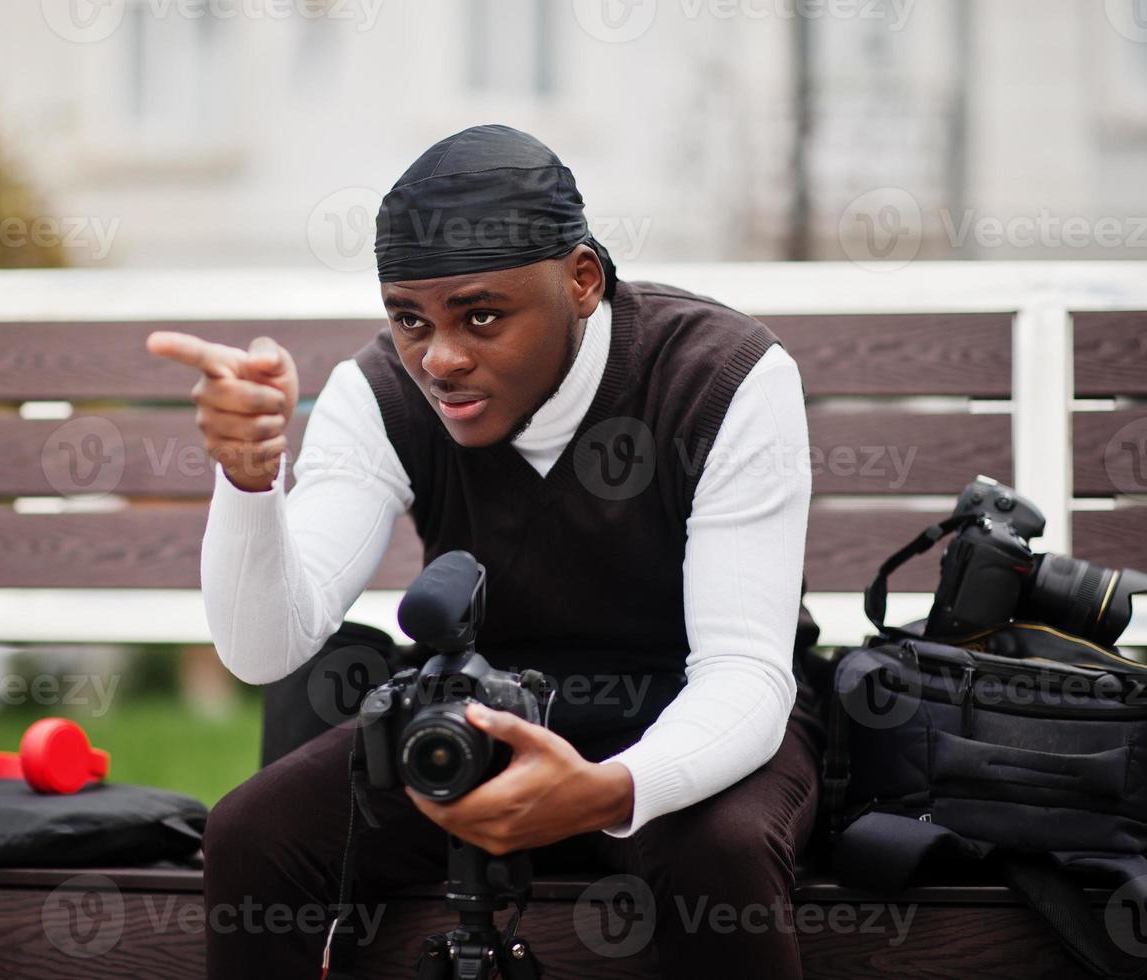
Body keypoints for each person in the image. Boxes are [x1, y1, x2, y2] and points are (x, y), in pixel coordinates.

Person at [147, 123, 823, 979]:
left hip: (696, 706)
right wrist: (248, 480)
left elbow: (745, 673)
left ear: (581, 280)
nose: (440, 358)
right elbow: (263, 648)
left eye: (481, 315)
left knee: (719, 855)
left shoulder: (721, 374)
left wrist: (611, 789)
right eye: (408, 319)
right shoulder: (383, 392)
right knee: (253, 834)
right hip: (484, 709)